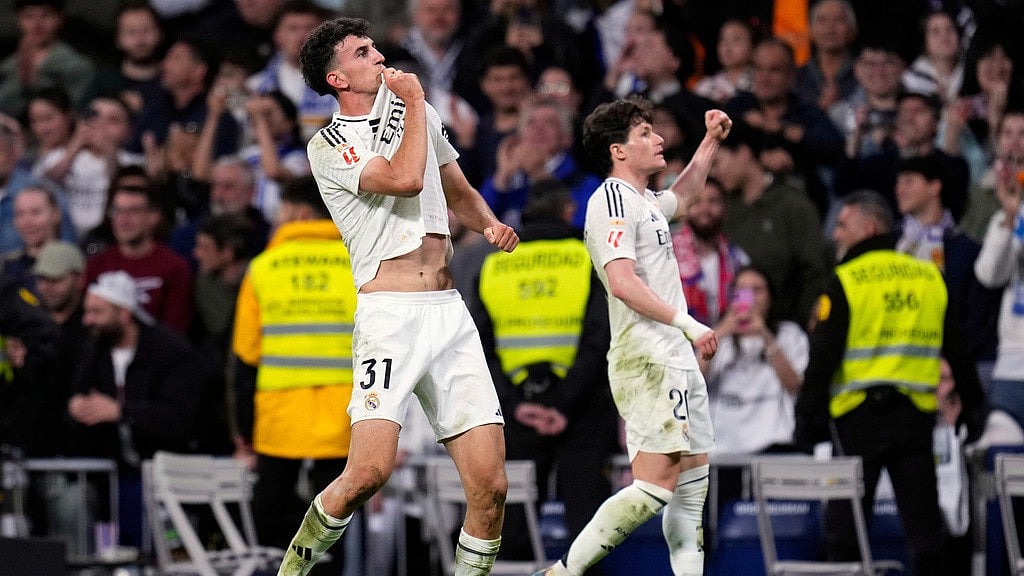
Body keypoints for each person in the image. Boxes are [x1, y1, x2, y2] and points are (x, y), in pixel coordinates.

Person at [276, 17, 519, 576]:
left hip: (448, 314)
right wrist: (413, 103)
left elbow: (456, 189)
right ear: (337, 79)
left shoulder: (417, 113)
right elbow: (405, 179)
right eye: (363, 53)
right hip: (391, 317)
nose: (380, 57)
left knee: (491, 487)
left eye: (375, 47)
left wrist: (487, 223)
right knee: (367, 474)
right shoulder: (329, 145)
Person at [532, 97, 730, 576]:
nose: (658, 139)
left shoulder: (645, 202)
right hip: (646, 357)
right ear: (618, 150)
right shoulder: (611, 201)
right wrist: (687, 323)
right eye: (644, 133)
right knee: (656, 487)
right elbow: (621, 282)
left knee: (691, 488)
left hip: (673, 358)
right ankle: (562, 572)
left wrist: (710, 141)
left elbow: (684, 197)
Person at [794, 191, 984, 576]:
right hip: (914, 419)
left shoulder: (846, 280)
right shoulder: (928, 277)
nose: (836, 235)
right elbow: (959, 350)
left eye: (843, 225)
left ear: (869, 227)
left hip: (856, 420)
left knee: (846, 533)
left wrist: (805, 422)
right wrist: (974, 407)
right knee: (925, 534)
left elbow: (822, 359)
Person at [471, 178, 617, 564]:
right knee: (588, 534)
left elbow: (479, 348)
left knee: (511, 534)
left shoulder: (493, 265)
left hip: (517, 413)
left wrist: (516, 404)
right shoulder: (588, 258)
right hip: (580, 411)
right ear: (569, 212)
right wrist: (563, 404)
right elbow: (600, 339)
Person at [232, 177, 355, 575]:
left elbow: (245, 359)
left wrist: (246, 430)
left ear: (300, 213)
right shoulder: (359, 261)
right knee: (332, 528)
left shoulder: (262, 268)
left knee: (273, 532)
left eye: (281, 210)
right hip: (344, 418)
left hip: (278, 419)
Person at [69, 270, 203, 546]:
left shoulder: (170, 350)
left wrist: (122, 412)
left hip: (166, 477)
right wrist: (75, 407)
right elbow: (78, 394)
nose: (87, 320)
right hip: (115, 477)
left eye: (96, 312)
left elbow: (180, 417)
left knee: (167, 549)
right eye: (87, 311)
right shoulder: (92, 350)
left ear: (124, 313)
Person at [700, 265, 807, 456]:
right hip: (725, 450)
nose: (748, 297)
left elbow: (795, 385)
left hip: (773, 445)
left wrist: (764, 334)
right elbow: (692, 379)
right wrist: (722, 331)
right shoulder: (718, 339)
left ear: (770, 297)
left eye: (756, 290)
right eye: (741, 291)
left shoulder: (789, 334)